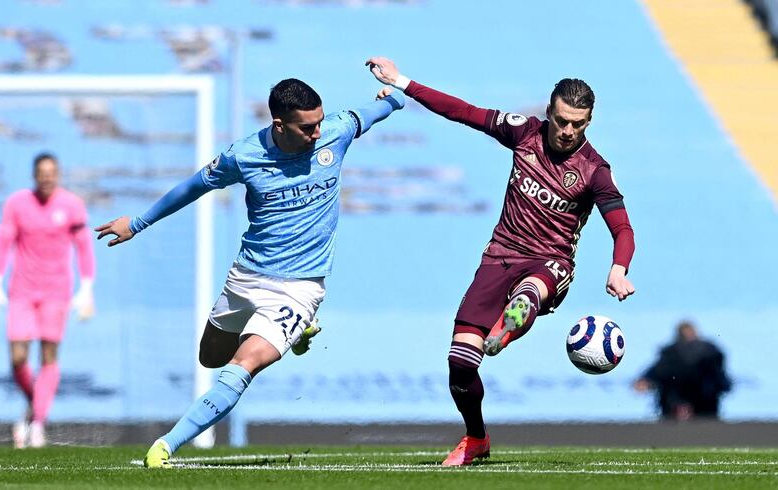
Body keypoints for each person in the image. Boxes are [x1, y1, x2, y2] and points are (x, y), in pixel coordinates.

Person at [95, 78, 404, 468]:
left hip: (299, 288)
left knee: (242, 365)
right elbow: (192, 188)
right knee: (211, 357)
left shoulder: (336, 134)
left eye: (320, 123)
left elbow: (376, 111)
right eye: (307, 127)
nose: (317, 133)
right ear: (279, 124)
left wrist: (392, 95)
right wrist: (137, 223)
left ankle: (165, 446)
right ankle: (299, 331)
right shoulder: (243, 155)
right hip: (248, 276)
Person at [366, 57, 636, 466]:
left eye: (577, 124)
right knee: (459, 363)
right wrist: (402, 81)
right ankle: (476, 438)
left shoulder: (595, 170)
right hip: (500, 256)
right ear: (548, 112)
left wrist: (619, 267)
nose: (567, 131)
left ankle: (507, 329)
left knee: (530, 292)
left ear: (589, 121)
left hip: (551, 263)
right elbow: (463, 111)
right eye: (562, 121)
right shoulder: (524, 133)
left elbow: (623, 228)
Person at [0, 152, 96, 448]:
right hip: (21, 291)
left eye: (52, 172)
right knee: (18, 358)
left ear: (57, 175)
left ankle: (37, 424)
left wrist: (86, 289)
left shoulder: (71, 206)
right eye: (41, 173)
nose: (47, 177)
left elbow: (84, 248)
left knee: (48, 356)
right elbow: (3, 243)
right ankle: (37, 406)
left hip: (56, 292)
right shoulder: (17, 204)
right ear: (34, 175)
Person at [634, 321, 731, 420]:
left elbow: (722, 380)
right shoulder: (671, 353)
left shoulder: (709, 352)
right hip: (682, 402)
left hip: (701, 401)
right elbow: (656, 371)